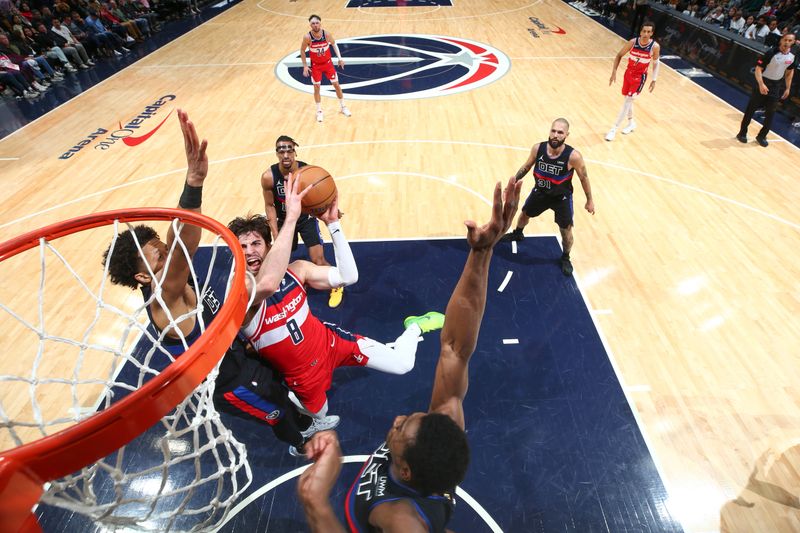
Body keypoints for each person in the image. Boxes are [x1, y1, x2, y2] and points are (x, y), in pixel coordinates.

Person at [101, 110, 335, 457]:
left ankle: (304, 419)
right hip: (228, 381)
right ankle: (301, 444)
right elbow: (182, 247)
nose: (168, 253)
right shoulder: (165, 298)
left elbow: (178, 240)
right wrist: (194, 185)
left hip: (236, 354)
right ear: (141, 276)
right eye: (159, 255)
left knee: (279, 386)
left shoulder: (174, 274)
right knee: (277, 413)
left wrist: (192, 182)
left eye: (163, 248)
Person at [296, 177, 523, 533]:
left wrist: (317, 506)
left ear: (405, 472)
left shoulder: (402, 519)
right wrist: (481, 254)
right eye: (411, 419)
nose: (399, 417)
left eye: (401, 428)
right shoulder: (440, 427)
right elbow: (455, 349)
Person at [230, 186, 444, 423]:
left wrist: (333, 225)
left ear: (268, 247)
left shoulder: (297, 271)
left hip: (332, 343)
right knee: (320, 417)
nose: (250, 251)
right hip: (303, 377)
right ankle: (292, 399)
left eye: (256, 243)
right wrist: (291, 218)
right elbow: (268, 285)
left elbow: (348, 276)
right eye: (242, 246)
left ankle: (415, 326)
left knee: (403, 364)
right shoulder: (241, 292)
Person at [500, 118, 595, 277]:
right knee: (524, 214)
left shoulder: (574, 156)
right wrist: (512, 184)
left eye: (560, 132)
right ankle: (518, 233)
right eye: (553, 131)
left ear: (566, 135)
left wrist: (589, 200)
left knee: (566, 231)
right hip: (540, 192)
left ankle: (565, 257)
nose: (555, 135)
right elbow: (526, 166)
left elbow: (584, 178)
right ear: (549, 131)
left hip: (561, 198)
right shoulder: (538, 148)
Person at [261, 135, 343, 308]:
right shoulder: (269, 177)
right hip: (284, 221)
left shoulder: (307, 171)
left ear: (294, 152)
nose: (285, 155)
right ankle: (271, 286)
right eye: (281, 151)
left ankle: (338, 285)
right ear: (276, 154)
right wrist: (276, 232)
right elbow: (269, 205)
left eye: (289, 150)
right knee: (276, 259)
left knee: (318, 260)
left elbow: (321, 193)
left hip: (305, 219)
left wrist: (331, 209)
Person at [737, 33, 797, 147]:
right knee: (751, 109)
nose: (787, 42)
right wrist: (761, 84)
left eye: (790, 40)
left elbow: (789, 72)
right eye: (785, 40)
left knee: (771, 112)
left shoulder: (792, 57)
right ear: (781, 41)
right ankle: (742, 133)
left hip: (776, 86)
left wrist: (788, 88)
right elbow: (758, 69)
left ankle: (762, 136)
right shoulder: (771, 53)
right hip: (763, 81)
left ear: (793, 42)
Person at [605, 21, 661, 141]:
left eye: (648, 32)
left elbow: (656, 63)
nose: (646, 34)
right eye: (644, 31)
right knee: (627, 100)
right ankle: (631, 123)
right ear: (640, 31)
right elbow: (619, 55)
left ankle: (613, 129)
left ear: (652, 33)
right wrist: (614, 71)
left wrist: (654, 79)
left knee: (627, 101)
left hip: (639, 78)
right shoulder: (633, 42)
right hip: (628, 74)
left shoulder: (655, 47)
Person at [300, 14, 350, 122]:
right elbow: (302, 50)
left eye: (317, 23)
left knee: (336, 85)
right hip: (316, 66)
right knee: (316, 88)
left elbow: (334, 44)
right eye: (313, 23)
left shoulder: (326, 34)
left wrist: (340, 58)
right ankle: (319, 111)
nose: (315, 25)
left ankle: (343, 107)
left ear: (320, 23)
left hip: (328, 64)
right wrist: (304, 66)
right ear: (310, 25)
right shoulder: (307, 37)